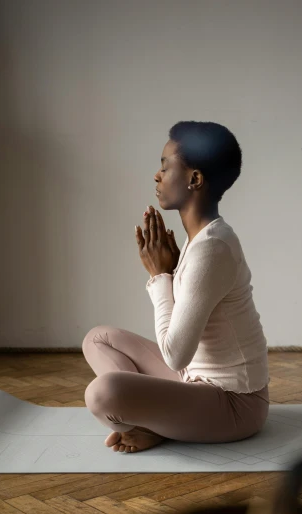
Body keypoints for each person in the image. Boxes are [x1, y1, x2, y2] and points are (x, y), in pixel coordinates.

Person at [82, 121, 270, 454]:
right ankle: (155, 419)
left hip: (234, 405)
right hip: (191, 379)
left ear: (195, 179)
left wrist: (159, 277)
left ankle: (154, 420)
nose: (157, 175)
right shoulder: (201, 239)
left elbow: (174, 355)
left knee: (102, 394)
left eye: (165, 166)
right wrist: (170, 272)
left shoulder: (213, 248)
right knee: (97, 338)